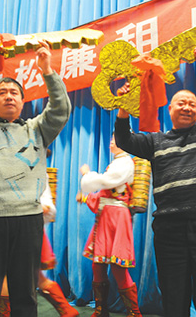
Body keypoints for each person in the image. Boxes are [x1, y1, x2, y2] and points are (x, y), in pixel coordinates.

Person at [114, 46, 196, 317]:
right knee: (174, 300)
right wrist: (123, 106)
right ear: (170, 109)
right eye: (181, 102)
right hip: (169, 232)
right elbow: (124, 139)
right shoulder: (155, 141)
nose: (187, 107)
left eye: (192, 104)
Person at [0, 41, 71, 317]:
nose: (9, 96)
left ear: (23, 101)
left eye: (14, 92)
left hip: (28, 219)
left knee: (25, 293)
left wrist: (47, 70)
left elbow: (60, 109)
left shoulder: (37, 130)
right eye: (2, 92)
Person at [0, 171, 80, 317]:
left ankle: (67, 310)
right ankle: (67, 310)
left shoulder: (33, 170)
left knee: (5, 275)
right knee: (37, 278)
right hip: (19, 225)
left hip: (17, 227)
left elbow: (45, 203)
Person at [76, 135, 141, 317]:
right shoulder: (116, 163)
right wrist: (87, 196)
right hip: (105, 218)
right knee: (98, 264)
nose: (111, 141)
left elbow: (106, 182)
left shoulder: (125, 163)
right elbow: (104, 193)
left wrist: (87, 174)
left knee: (118, 267)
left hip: (116, 219)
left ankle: (134, 313)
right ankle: (100, 309)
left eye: (115, 138)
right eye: (111, 138)